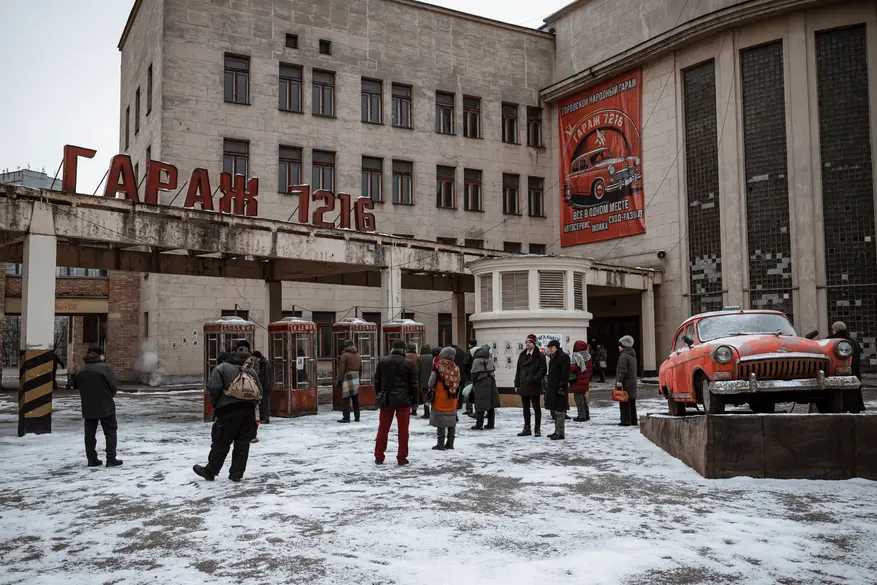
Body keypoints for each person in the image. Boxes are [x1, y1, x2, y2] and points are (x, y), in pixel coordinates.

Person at [193, 345, 263, 482]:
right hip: (248, 411)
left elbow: (214, 388)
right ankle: (237, 474)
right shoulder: (251, 371)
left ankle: (211, 470)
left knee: (221, 442)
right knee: (243, 443)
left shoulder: (222, 368)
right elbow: (259, 391)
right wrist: (251, 405)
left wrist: (216, 405)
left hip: (228, 410)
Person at [72, 346, 122, 468]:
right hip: (105, 405)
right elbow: (113, 385)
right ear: (99, 355)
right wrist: (109, 396)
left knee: (89, 434)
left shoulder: (80, 369)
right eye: (103, 355)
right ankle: (111, 459)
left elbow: (75, 384)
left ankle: (92, 460)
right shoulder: (104, 368)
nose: (104, 357)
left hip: (88, 406)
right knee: (110, 432)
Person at [373, 339, 418, 466]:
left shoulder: (383, 361)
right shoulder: (408, 363)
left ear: (392, 348)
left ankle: (379, 456)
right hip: (404, 401)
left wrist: (379, 394)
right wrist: (415, 401)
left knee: (383, 429)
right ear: (404, 350)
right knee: (403, 430)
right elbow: (414, 384)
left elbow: (377, 381)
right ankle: (402, 457)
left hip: (387, 399)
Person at [514, 334, 547, 437]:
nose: (527, 344)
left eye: (530, 342)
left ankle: (537, 429)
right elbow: (518, 370)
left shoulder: (539, 355)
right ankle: (527, 428)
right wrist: (517, 384)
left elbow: (543, 370)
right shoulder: (522, 355)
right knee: (525, 408)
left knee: (536, 407)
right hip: (524, 385)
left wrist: (534, 378)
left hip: (534, 385)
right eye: (526, 342)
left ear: (534, 343)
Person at [428, 347, 461, 450]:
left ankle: (440, 444)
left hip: (439, 399)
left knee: (441, 421)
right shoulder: (456, 368)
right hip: (452, 399)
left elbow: (430, 383)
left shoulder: (438, 367)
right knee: (451, 421)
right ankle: (450, 443)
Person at [829, 322, 865, 413]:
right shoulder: (853, 342)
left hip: (837, 373)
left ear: (835, 330)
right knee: (852, 393)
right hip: (853, 373)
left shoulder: (832, 341)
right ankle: (854, 408)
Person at [545, 340, 571, 440]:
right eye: (549, 348)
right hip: (553, 387)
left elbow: (565, 374)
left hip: (560, 388)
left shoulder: (563, 357)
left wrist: (561, 387)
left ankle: (560, 433)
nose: (550, 349)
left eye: (551, 347)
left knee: (560, 411)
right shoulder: (554, 357)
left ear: (556, 347)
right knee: (556, 410)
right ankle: (556, 431)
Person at [470, 345, 500, 431]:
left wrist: (474, 381)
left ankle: (479, 424)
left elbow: (474, 373)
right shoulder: (489, 358)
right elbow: (493, 368)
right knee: (491, 404)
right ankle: (491, 424)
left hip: (480, 382)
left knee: (480, 403)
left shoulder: (476, 360)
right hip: (490, 381)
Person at [337, 340, 363, 423]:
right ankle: (357, 416)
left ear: (346, 347)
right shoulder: (358, 355)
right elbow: (361, 368)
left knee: (346, 398)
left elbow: (341, 369)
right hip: (356, 376)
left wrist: (340, 380)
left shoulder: (345, 355)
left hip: (347, 376)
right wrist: (359, 378)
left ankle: (346, 417)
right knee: (355, 397)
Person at [616, 335, 639, 426]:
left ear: (624, 345)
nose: (618, 347)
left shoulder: (624, 356)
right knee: (632, 402)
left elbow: (623, 370)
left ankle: (625, 421)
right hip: (632, 382)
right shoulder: (632, 355)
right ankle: (633, 420)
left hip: (626, 382)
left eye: (620, 345)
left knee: (624, 401)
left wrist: (619, 381)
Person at [570, 340, 592, 422]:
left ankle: (581, 415)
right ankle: (586, 414)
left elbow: (573, 368)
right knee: (583, 397)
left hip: (578, 380)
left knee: (578, 398)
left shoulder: (577, 356)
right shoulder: (588, 356)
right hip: (584, 380)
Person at [252, 350, 273, 425]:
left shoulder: (265, 363)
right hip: (263, 385)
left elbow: (266, 376)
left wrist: (266, 386)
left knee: (265, 403)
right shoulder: (263, 362)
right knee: (262, 403)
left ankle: (265, 418)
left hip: (265, 386)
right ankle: (263, 418)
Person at [418, 344, 434, 419]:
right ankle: (433, 412)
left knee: (425, 396)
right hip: (432, 378)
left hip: (423, 380)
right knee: (433, 396)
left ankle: (426, 412)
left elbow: (418, 370)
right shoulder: (432, 357)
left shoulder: (419, 358)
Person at [406, 343, 421, 416]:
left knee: (407, 392)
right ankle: (414, 409)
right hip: (416, 376)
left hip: (406, 376)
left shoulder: (405, 356)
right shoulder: (418, 356)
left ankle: (407, 408)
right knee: (415, 393)